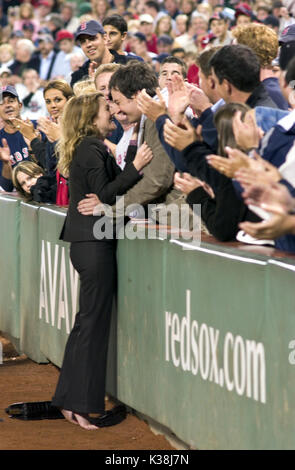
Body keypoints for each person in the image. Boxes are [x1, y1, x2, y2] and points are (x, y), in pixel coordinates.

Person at [51, 92, 152, 429]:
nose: (110, 112)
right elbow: (103, 195)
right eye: (104, 109)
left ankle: (69, 401)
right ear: (89, 118)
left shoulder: (90, 147)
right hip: (93, 243)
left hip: (88, 242)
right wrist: (136, 167)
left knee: (86, 323)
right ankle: (79, 405)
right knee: (91, 325)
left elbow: (101, 197)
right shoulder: (91, 148)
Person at [70, 20, 140, 88]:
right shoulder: (78, 77)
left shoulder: (130, 65)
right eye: (83, 41)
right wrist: (91, 87)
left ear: (105, 38)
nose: (88, 45)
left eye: (92, 38)